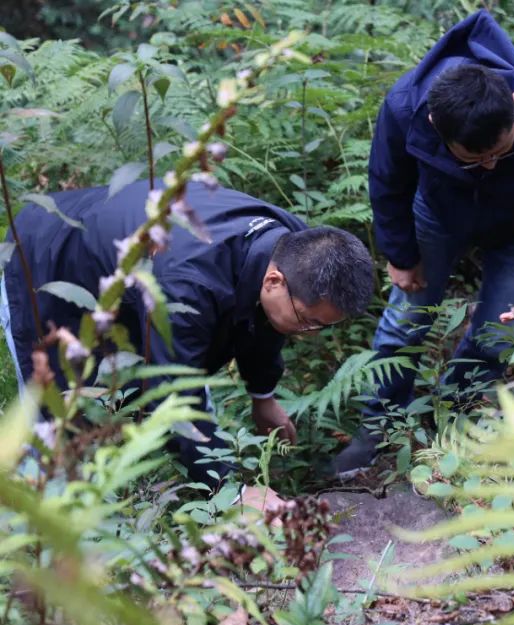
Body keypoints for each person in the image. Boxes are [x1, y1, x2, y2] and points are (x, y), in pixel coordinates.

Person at [332, 10, 514, 476]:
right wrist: (402, 254)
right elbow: (387, 182)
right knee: (403, 324)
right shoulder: (406, 105)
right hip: (438, 216)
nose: (491, 164)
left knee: (503, 330)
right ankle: (378, 426)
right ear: (435, 123)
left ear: (513, 102)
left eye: (501, 151)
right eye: (476, 157)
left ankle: (454, 419)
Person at [2, 179, 374, 494]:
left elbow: (264, 320)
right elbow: (177, 392)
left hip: (131, 270)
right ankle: (37, 539)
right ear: (274, 280)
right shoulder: (189, 286)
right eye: (308, 321)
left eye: (323, 327)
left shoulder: (294, 245)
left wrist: (263, 395)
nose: (309, 334)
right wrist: (234, 494)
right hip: (43, 263)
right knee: (54, 418)